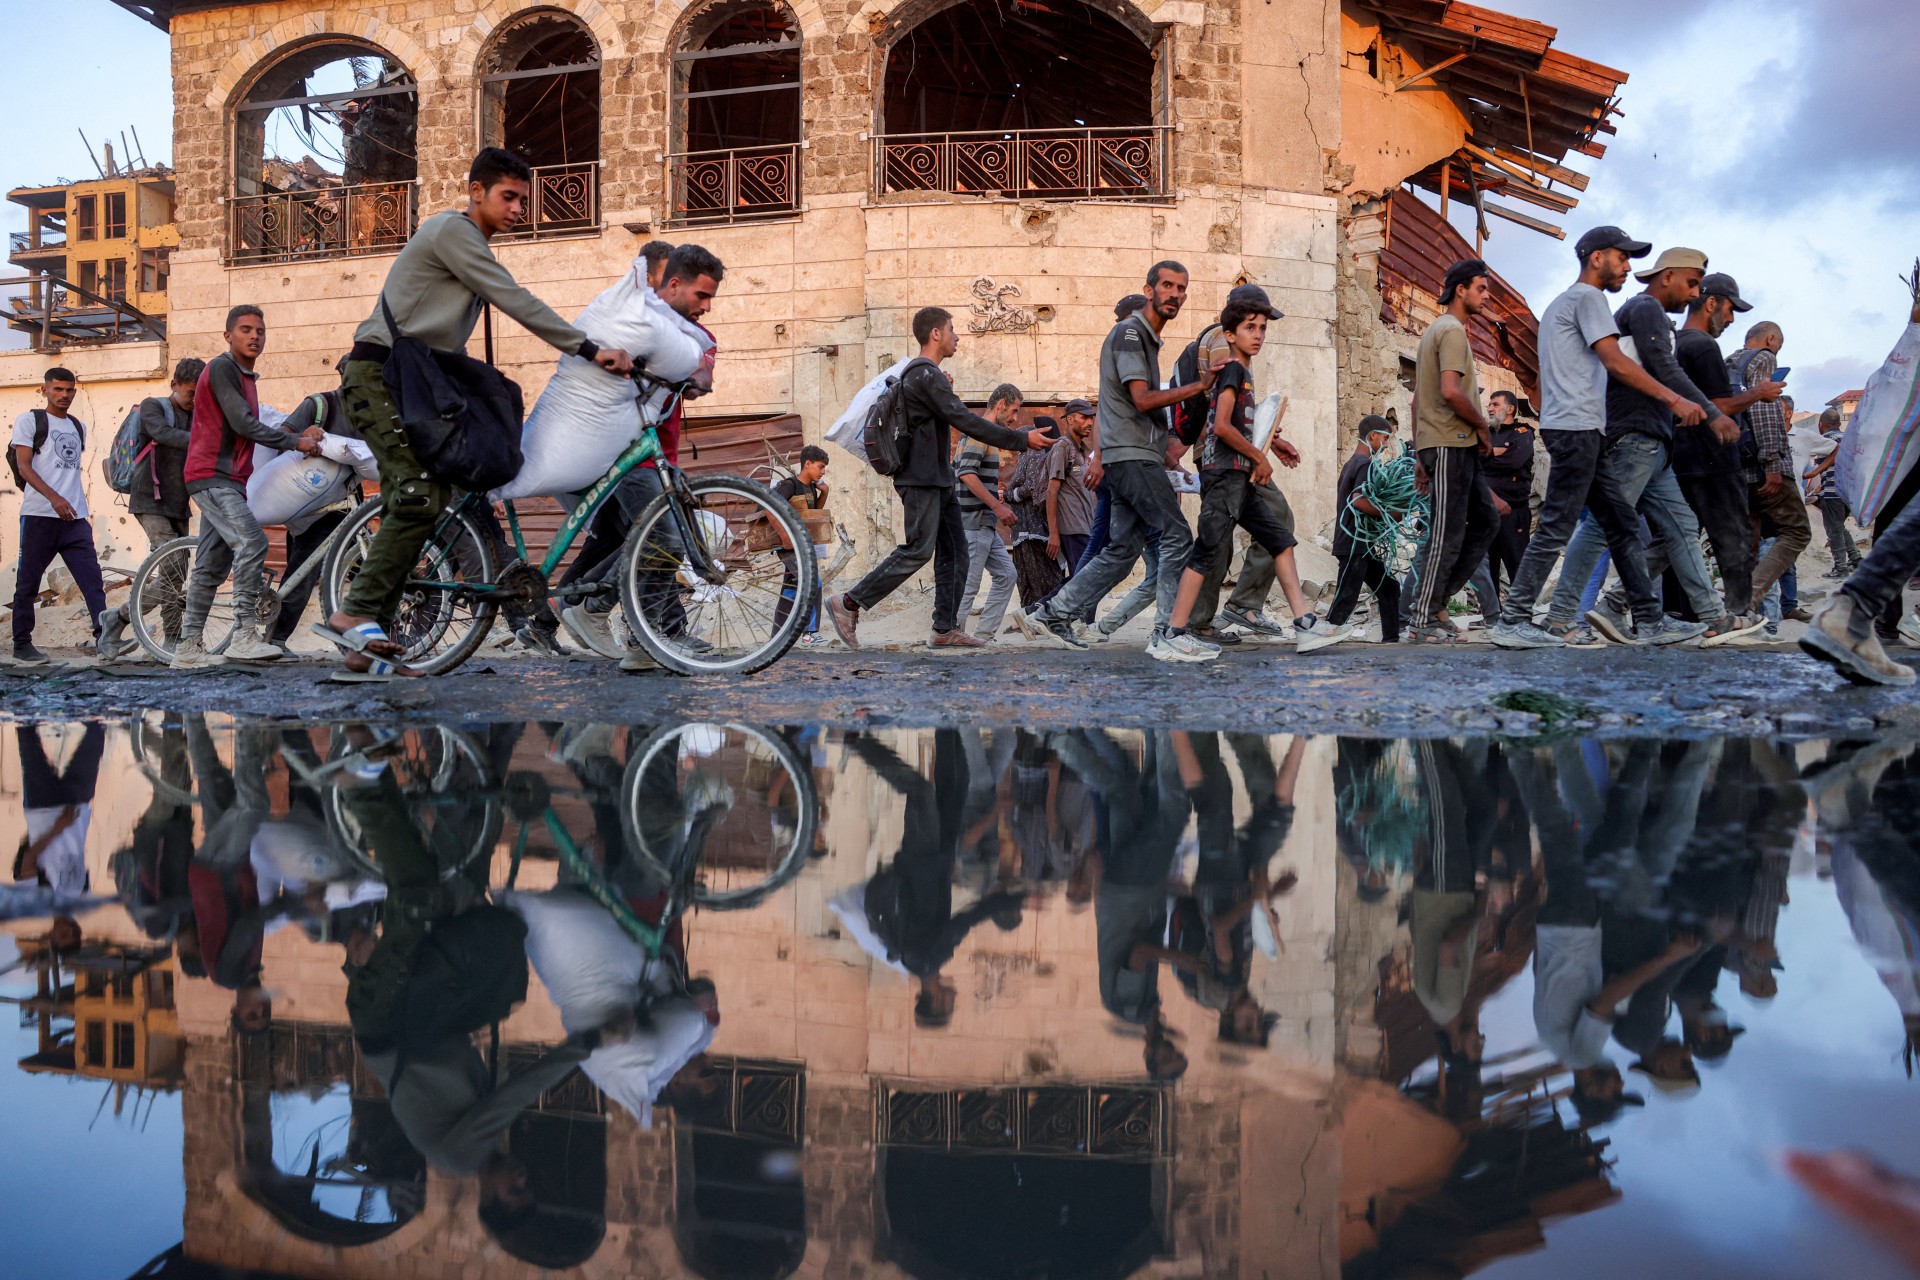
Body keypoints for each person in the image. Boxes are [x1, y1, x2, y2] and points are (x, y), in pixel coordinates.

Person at [321, 148, 635, 678]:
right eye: (508, 196)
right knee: (417, 496)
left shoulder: (472, 247)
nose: (517, 209)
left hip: (410, 383)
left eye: (522, 200)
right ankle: (353, 612)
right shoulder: (452, 232)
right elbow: (513, 298)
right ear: (476, 190)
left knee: (424, 499)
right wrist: (588, 348)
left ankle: (364, 643)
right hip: (378, 378)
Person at [1491, 228, 1714, 650]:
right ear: (1596, 258)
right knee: (1556, 526)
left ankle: (1649, 621)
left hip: (1581, 428)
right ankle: (1514, 618)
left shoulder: (1564, 302)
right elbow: (1614, 361)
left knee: (1623, 525)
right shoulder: (1589, 299)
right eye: (1622, 257)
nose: (1628, 266)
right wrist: (1674, 398)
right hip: (1575, 429)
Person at [824, 307, 1052, 649]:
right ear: (935, 334)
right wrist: (1021, 439)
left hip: (938, 478)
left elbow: (944, 419)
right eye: (952, 329)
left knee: (957, 550)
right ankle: (849, 603)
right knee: (918, 549)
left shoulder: (928, 378)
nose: (956, 337)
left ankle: (944, 628)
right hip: (920, 479)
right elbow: (965, 420)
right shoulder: (925, 374)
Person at [1547, 248, 1742, 647]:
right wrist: (1709, 412)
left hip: (1655, 446)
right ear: (1667, 276)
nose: (1693, 293)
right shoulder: (1645, 306)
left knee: (1681, 526)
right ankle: (1560, 616)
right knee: (1603, 527)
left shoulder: (1657, 318)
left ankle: (1711, 616)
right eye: (1690, 282)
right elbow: (1663, 367)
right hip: (1633, 437)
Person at [1022, 261, 1217, 650]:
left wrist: (1166, 451)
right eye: (1166, 286)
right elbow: (1141, 399)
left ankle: (1052, 613)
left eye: (1181, 288)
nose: (1174, 294)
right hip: (1130, 457)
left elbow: (1126, 408)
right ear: (1149, 291)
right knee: (1176, 534)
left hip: (1132, 455)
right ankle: (1168, 635)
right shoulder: (1130, 334)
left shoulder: (1146, 338)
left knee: (1123, 549)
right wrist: (1201, 386)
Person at [1157, 290, 1349, 659]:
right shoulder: (1231, 367)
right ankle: (1173, 632)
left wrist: (1267, 444)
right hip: (1225, 472)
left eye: (1262, 328)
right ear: (1230, 333)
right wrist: (1258, 459)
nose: (1258, 334)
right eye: (1250, 327)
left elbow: (1241, 422)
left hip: (1237, 473)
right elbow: (1224, 427)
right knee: (1208, 551)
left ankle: (1305, 623)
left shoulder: (1241, 369)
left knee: (1280, 539)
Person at [171, 305, 325, 668]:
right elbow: (243, 424)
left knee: (211, 564)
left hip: (228, 480)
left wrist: (297, 432)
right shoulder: (223, 367)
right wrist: (295, 443)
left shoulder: (246, 378)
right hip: (212, 476)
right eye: (245, 329)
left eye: (260, 330)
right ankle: (243, 636)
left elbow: (256, 421)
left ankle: (187, 647)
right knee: (253, 542)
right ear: (228, 336)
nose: (254, 336)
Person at [1404, 260, 1502, 644]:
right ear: (1460, 289)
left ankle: (1438, 601)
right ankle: (1423, 617)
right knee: (1446, 534)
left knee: (1486, 521)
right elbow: (1449, 391)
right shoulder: (1452, 331)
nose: (1485, 296)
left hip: (1443, 444)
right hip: (1451, 443)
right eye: (1481, 288)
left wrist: (1418, 454)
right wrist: (1480, 426)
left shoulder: (1435, 331)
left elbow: (1416, 403)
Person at [97, 358, 204, 660]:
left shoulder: (199, 415)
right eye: (190, 393)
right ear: (174, 385)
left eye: (200, 394)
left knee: (177, 572)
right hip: (149, 499)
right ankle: (160, 635)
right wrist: (207, 439)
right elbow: (164, 434)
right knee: (171, 569)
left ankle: (129, 623)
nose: (195, 399)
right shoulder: (153, 407)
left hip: (179, 502)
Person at [9, 367, 107, 665]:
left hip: (75, 518)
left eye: (69, 390)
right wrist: (54, 499)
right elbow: (24, 466)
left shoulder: (78, 427)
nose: (64, 395)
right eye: (58, 389)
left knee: (92, 581)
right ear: (45, 390)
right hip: (40, 515)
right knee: (28, 582)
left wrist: (70, 503)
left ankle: (105, 639)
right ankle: (22, 644)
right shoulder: (30, 421)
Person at [1729, 321, 1813, 623]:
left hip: (1738, 467)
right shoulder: (1763, 358)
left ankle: (1736, 609)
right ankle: (1748, 600)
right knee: (1797, 531)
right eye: (1778, 343)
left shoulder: (1731, 362)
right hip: (1763, 466)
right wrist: (1773, 464)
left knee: (1749, 543)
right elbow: (1764, 410)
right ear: (1771, 338)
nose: (1777, 349)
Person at [953, 384, 1029, 644]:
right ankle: (951, 634)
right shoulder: (979, 434)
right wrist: (997, 506)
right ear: (1000, 405)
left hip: (983, 523)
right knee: (969, 585)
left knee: (1007, 575)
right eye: (1014, 411)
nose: (1015, 418)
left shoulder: (983, 434)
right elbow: (966, 473)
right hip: (973, 522)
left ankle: (983, 637)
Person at [1324, 415, 1403, 643]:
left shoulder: (1351, 463)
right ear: (1372, 436)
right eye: (1385, 438)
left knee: (1389, 588)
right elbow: (1357, 501)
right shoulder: (1365, 464)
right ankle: (1323, 636)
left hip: (1360, 544)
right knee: (1346, 598)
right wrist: (1391, 514)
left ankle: (1391, 640)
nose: (1386, 444)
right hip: (1354, 543)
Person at [12, 723, 105, 896]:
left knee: (27, 736)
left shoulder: (38, 901)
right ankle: (86, 698)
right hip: (77, 807)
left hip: (42, 808)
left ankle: (25, 699)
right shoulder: (82, 897)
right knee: (96, 735)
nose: (76, 924)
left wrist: (58, 826)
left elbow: (28, 860)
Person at [1005, 415, 1069, 607]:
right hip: (1024, 528)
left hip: (1033, 529)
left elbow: (1032, 487)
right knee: (1026, 574)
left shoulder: (1034, 456)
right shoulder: (1029, 457)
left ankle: (1042, 614)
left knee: (1040, 574)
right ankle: (1028, 615)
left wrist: (1011, 494)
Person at [774, 444, 831, 646]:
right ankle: (809, 633)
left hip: (801, 545)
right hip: (789, 546)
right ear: (808, 463)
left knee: (791, 587)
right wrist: (784, 537)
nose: (823, 471)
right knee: (812, 582)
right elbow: (770, 509)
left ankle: (778, 636)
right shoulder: (790, 485)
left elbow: (812, 514)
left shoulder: (810, 488)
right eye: (821, 466)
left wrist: (824, 493)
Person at [1482, 390, 1535, 597]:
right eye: (1489, 404)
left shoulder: (1521, 433)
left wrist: (1484, 456)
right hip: (1485, 511)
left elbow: (1514, 461)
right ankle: (1493, 615)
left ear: (1510, 408)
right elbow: (1469, 463)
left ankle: (1521, 615)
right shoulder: (1484, 434)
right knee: (1488, 566)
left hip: (1512, 510)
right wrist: (1495, 452)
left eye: (1495, 404)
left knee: (1518, 564)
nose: (1490, 408)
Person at [1043, 397, 1098, 592]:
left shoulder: (1082, 450)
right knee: (1084, 583)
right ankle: (1079, 622)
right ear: (1070, 419)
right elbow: (1052, 491)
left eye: (1092, 418)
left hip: (1086, 526)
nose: (1090, 423)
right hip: (1072, 528)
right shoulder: (1063, 447)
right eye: (1084, 418)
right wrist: (1054, 534)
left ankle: (1038, 611)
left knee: (1080, 579)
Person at [1806, 407, 1860, 577]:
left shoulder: (1825, 440)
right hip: (1850, 492)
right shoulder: (1850, 439)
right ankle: (1855, 558)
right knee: (1839, 526)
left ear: (1822, 424)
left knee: (1833, 529)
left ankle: (1840, 568)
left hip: (1832, 490)